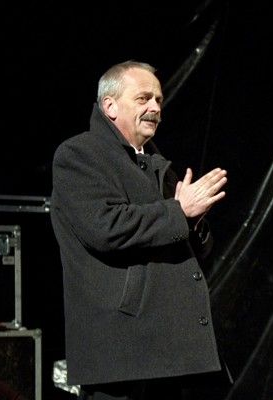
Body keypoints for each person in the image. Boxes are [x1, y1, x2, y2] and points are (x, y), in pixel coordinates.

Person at [50, 60, 230, 399]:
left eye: (159, 100)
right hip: (122, 351)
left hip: (166, 350)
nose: (155, 108)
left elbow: (190, 244)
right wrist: (179, 212)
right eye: (143, 98)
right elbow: (105, 227)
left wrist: (193, 221)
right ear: (110, 106)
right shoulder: (79, 155)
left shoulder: (157, 164)